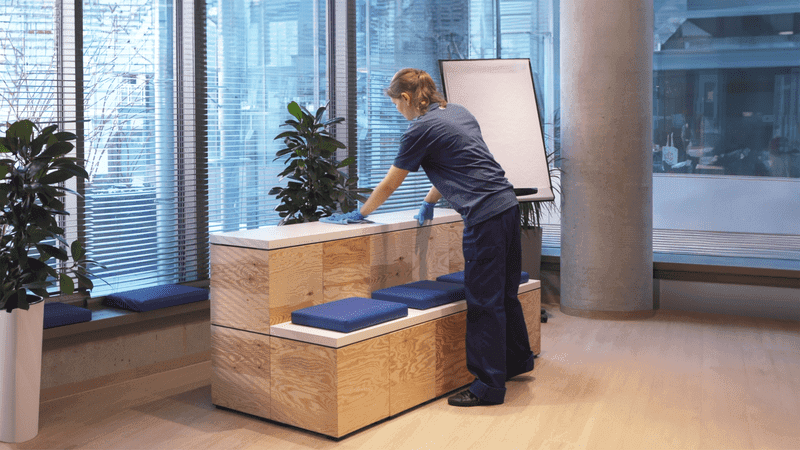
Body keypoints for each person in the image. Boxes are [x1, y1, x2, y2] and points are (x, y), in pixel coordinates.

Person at [322, 68, 534, 407]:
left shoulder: (419, 129)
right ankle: (517, 362)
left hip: (484, 217)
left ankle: (488, 387)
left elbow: (391, 183)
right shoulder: (458, 112)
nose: (397, 111)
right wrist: (428, 201)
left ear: (406, 98)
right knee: (506, 295)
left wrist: (359, 214)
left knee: (483, 302)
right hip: (507, 207)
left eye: (395, 104)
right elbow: (460, 165)